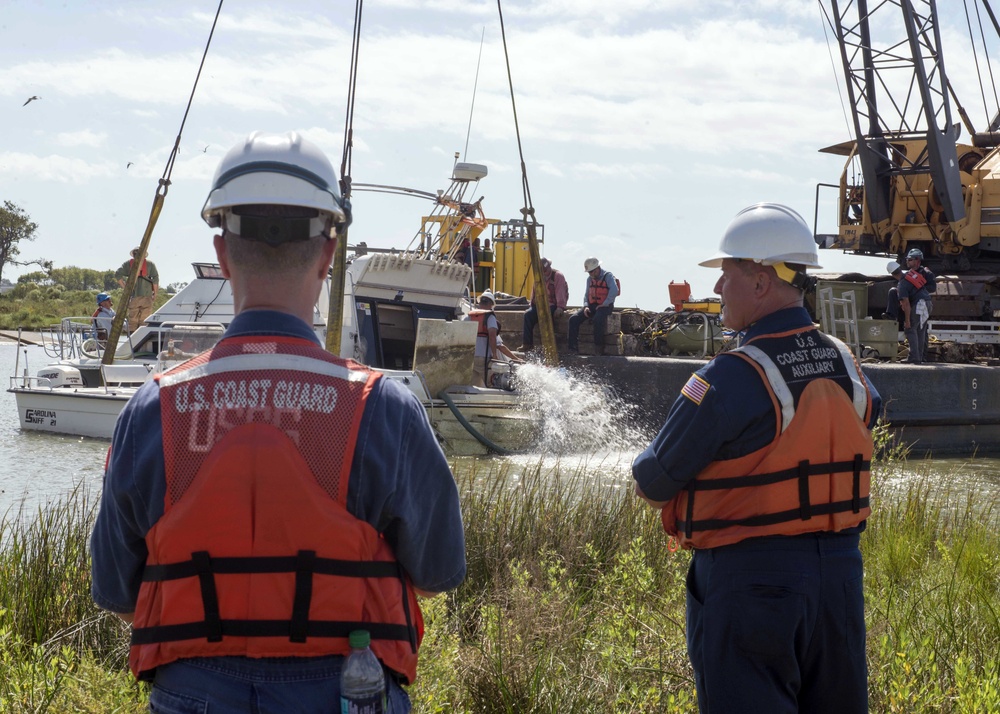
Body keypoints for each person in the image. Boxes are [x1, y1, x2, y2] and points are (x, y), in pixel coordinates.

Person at [90, 131, 466, 713]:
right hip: (347, 688)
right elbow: (438, 571)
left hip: (192, 693)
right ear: (327, 253)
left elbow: (115, 591)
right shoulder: (384, 407)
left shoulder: (151, 410)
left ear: (221, 254)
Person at [631, 203, 882, 714]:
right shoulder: (846, 363)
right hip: (839, 582)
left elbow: (653, 482)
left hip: (750, 585)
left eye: (726, 274)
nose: (719, 289)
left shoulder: (730, 376)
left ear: (762, 281)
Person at [567, 257, 618, 355]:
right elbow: (586, 295)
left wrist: (605, 303)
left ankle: (598, 348)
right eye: (588, 272)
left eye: (591, 272)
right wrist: (586, 306)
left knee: (598, 319)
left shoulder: (608, 276)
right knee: (573, 319)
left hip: (605, 306)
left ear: (597, 268)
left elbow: (614, 291)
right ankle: (572, 349)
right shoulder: (589, 279)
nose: (590, 274)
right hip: (592, 305)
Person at [521, 257, 568, 350]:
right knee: (528, 315)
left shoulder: (558, 276)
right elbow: (534, 292)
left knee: (547, 315)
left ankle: (549, 345)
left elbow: (561, 292)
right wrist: (532, 305)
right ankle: (527, 344)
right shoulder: (538, 276)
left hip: (552, 305)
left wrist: (560, 307)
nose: (547, 271)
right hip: (540, 305)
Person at [898, 247, 936, 363]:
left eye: (910, 259)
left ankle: (917, 357)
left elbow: (932, 288)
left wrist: (919, 288)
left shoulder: (926, 273)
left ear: (917, 260)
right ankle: (918, 357)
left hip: (921, 304)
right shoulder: (909, 275)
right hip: (920, 303)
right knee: (920, 331)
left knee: (915, 329)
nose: (907, 261)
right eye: (907, 259)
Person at [115, 247, 159, 333]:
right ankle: (141, 341)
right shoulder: (150, 264)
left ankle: (132, 341)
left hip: (134, 297)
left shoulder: (128, 264)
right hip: (147, 297)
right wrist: (155, 294)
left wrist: (125, 288)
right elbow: (155, 281)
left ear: (134, 254)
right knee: (144, 322)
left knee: (132, 322)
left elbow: (117, 275)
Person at [469, 290, 500, 386]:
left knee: (474, 386)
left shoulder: (470, 316)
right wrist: (494, 355)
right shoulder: (490, 317)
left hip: (471, 357)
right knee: (491, 384)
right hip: (485, 358)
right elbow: (492, 336)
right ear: (491, 304)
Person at [883, 260, 905, 329]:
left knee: (892, 291)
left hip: (910, 303)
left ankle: (892, 315)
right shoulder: (907, 277)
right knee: (893, 291)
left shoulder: (903, 282)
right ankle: (891, 315)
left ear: (892, 274)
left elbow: (905, 299)